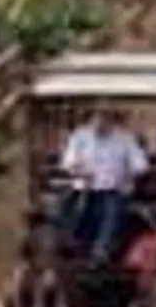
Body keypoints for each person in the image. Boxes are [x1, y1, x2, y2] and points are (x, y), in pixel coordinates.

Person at [57, 105, 148, 262]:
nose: (100, 122)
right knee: (72, 205)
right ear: (91, 119)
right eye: (97, 117)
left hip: (114, 188)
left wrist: (127, 174)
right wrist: (79, 171)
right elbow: (68, 161)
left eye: (105, 118)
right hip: (85, 187)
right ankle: (73, 243)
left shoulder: (125, 138)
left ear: (112, 120)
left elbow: (141, 165)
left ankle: (101, 250)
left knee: (112, 207)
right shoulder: (80, 136)